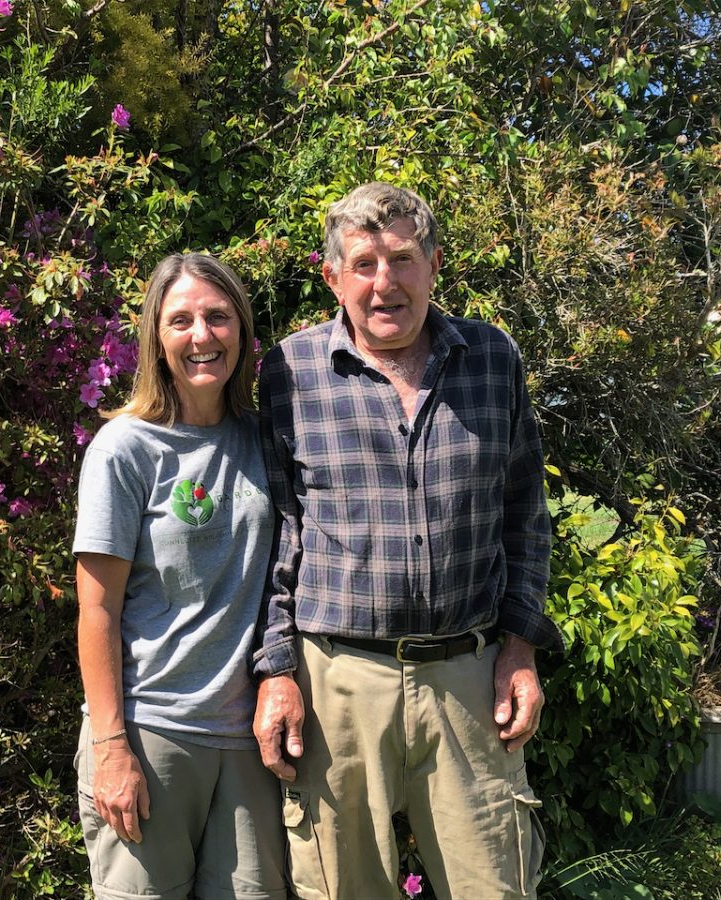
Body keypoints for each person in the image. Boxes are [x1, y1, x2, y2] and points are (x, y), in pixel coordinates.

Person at [252, 183, 563, 899]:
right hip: (336, 684)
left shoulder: (491, 358)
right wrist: (275, 673)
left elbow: (525, 513)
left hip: (469, 677)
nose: (383, 282)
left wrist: (519, 646)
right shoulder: (289, 373)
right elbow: (277, 534)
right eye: (363, 263)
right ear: (331, 276)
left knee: (498, 884)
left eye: (401, 259)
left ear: (434, 264)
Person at [74, 253, 288, 900]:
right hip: (150, 734)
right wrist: (111, 748)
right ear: (157, 340)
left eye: (219, 317)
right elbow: (97, 612)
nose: (202, 336)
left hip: (249, 748)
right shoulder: (125, 449)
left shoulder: (265, 441)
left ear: (243, 334)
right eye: (182, 320)